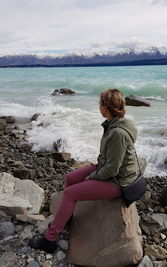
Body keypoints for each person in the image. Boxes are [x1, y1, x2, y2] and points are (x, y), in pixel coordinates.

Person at [28, 88, 140, 253]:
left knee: (70, 193)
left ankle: (50, 240)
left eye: (100, 103)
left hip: (119, 181)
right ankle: (65, 218)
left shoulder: (118, 133)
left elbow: (113, 169)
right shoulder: (112, 124)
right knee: (71, 178)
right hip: (107, 168)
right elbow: (109, 160)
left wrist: (93, 177)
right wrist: (95, 171)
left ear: (106, 107)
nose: (98, 106)